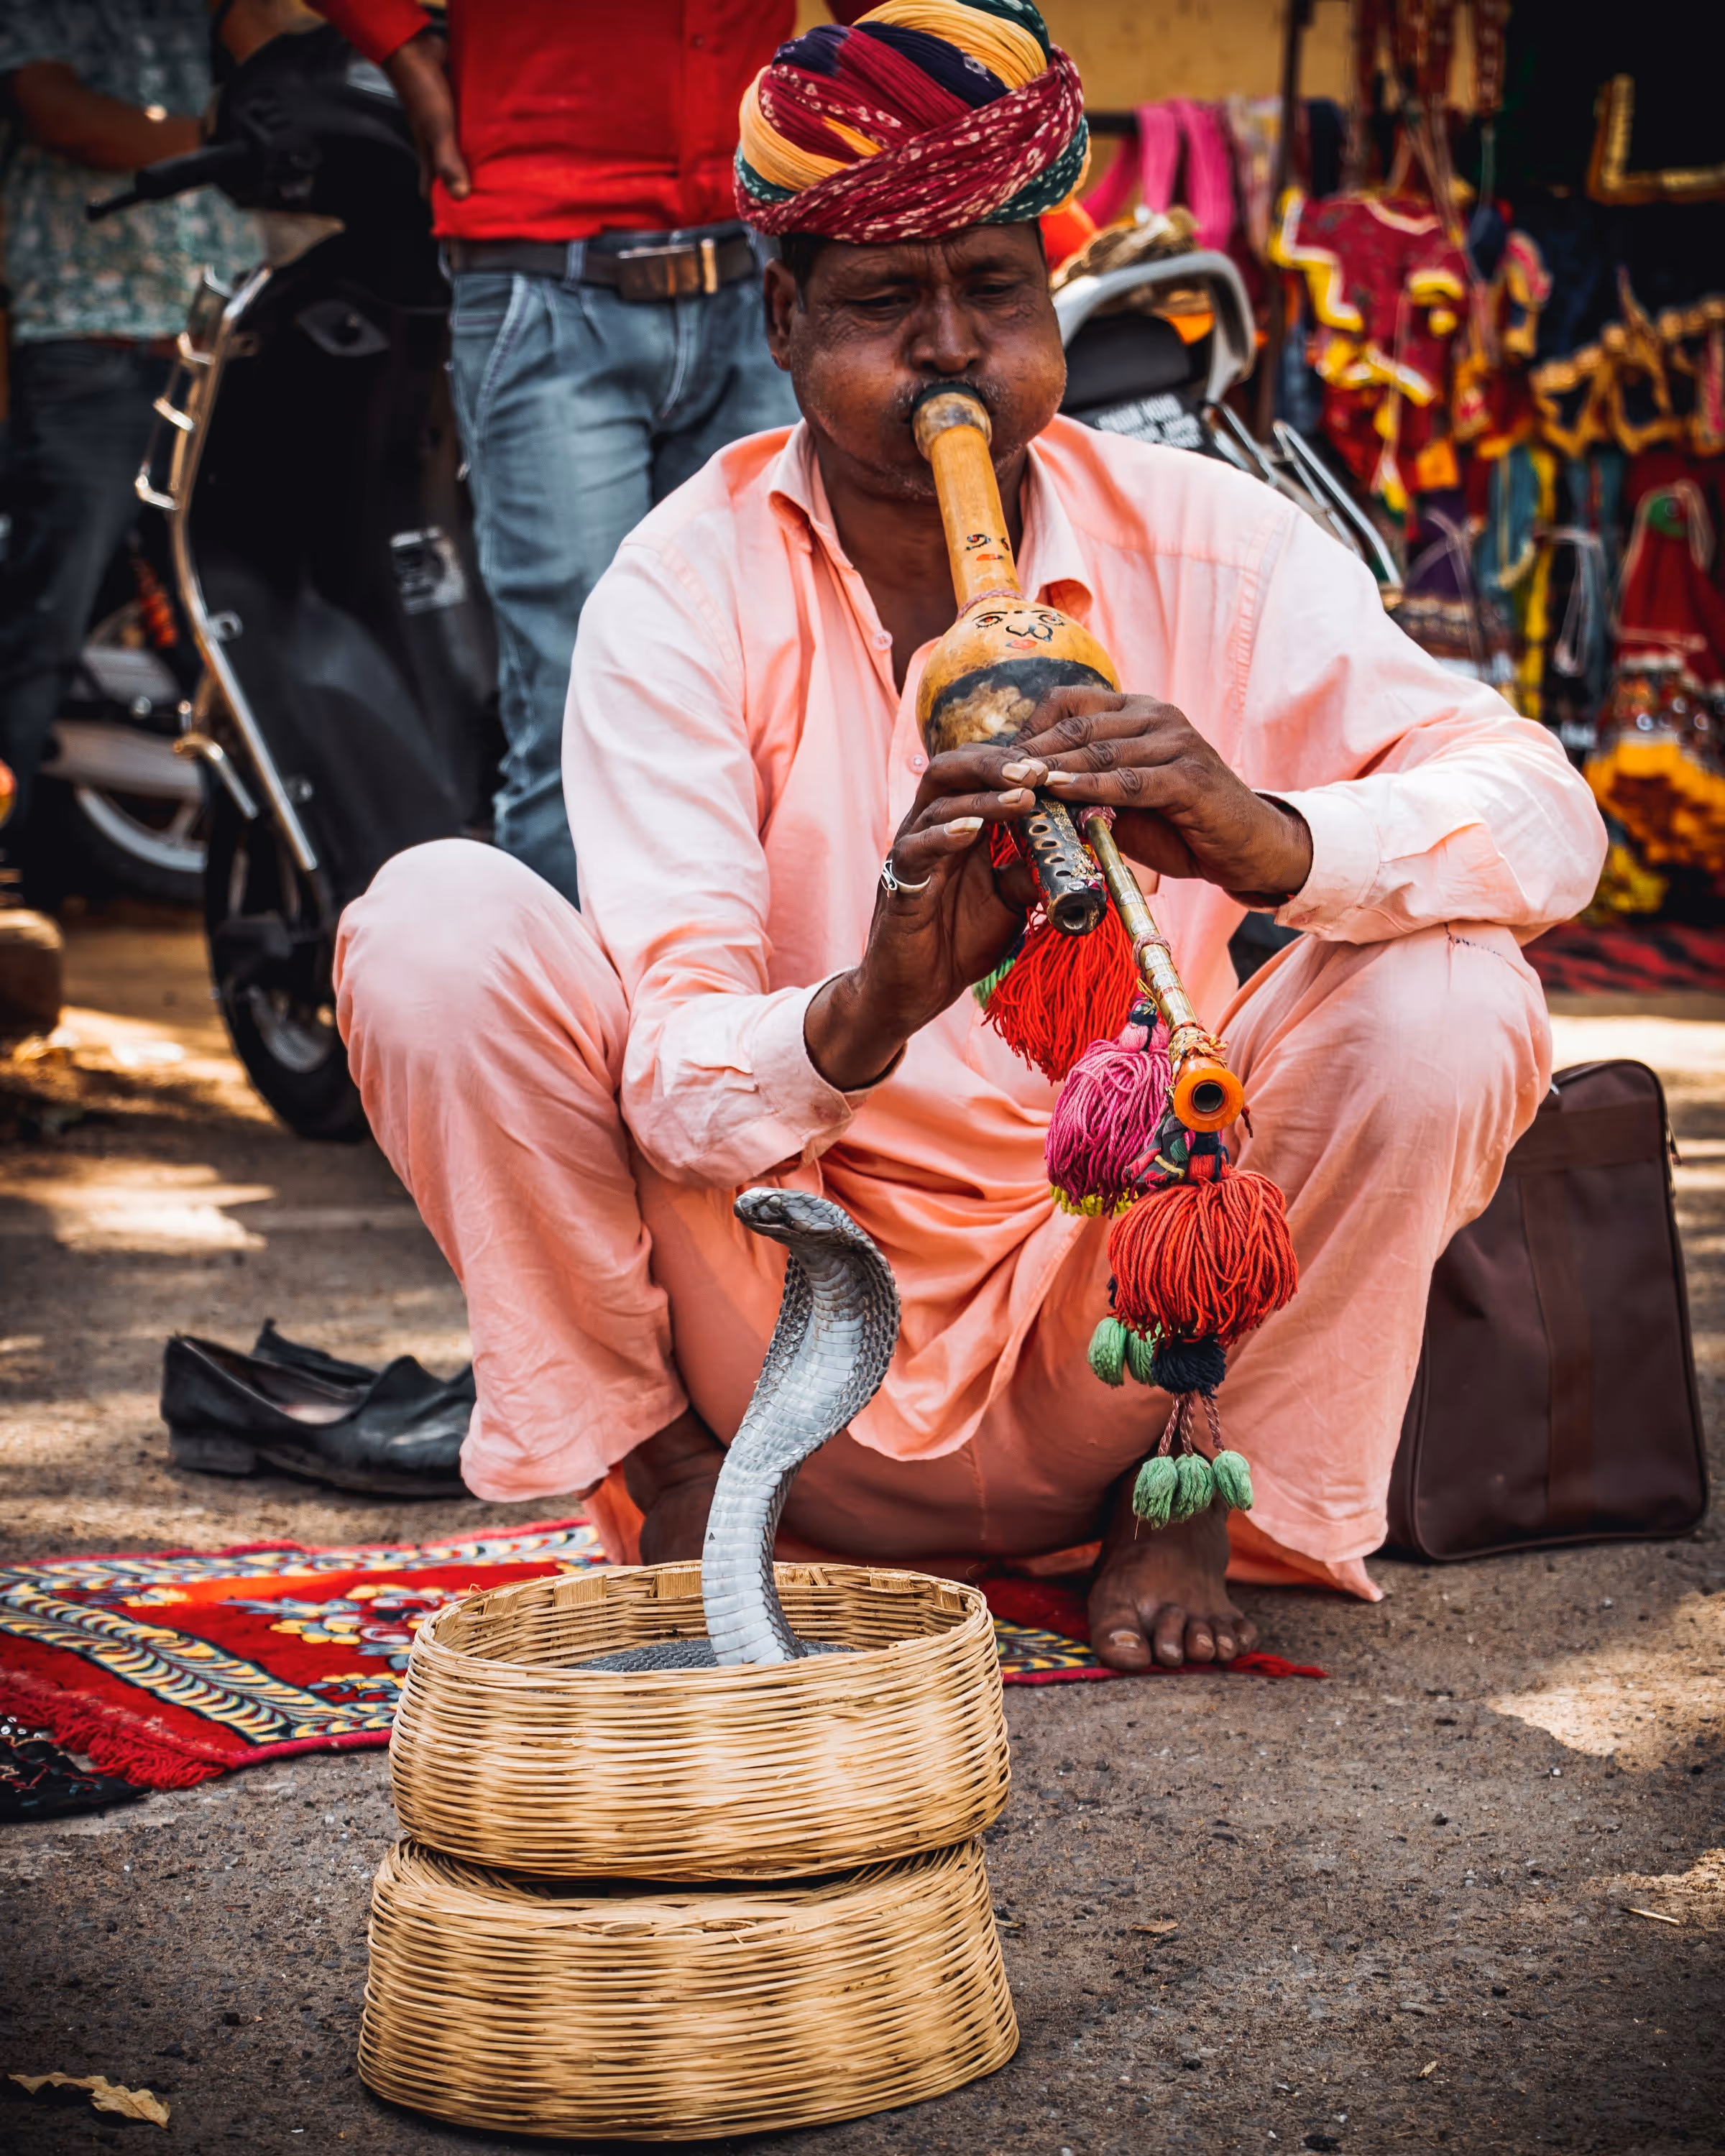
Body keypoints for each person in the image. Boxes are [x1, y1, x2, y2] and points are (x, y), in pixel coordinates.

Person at [334, 0, 1606, 1671]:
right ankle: (673, 1479)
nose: (948, 350)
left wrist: (1262, 833)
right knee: (435, 923)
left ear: (1046, 299)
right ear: (781, 322)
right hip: (786, 1332)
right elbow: (667, 1077)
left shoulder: (1205, 538)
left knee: (1446, 994)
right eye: (882, 301)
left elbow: (1544, 819)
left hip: (1133, 1321)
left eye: (992, 292)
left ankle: (1192, 1500)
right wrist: (862, 1007)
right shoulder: (679, 584)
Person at [310, 0, 865, 907]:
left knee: (779, 688)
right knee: (581, 701)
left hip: (757, 269)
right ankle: (571, 1043)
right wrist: (405, 53)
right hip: (543, 280)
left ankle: (756, 1029)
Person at [0, 0, 262, 856]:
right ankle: (9, 878)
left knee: (229, 616)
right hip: (90, 345)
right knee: (41, 622)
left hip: (211, 347)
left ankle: (267, 865)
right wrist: (225, 136)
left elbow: (277, 68)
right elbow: (58, 114)